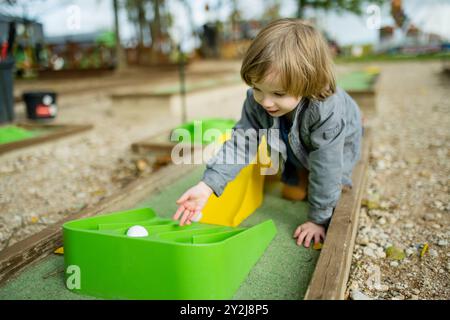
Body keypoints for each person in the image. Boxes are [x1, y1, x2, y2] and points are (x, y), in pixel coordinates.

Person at [173, 18, 363, 248]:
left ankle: (324, 187)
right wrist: (207, 186)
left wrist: (318, 219)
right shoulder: (258, 103)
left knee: (329, 186)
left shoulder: (326, 111)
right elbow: (240, 144)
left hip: (337, 147)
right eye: (257, 89)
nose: (266, 101)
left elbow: (327, 164)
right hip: (293, 139)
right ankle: (301, 171)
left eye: (279, 93)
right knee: (293, 193)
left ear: (309, 82)